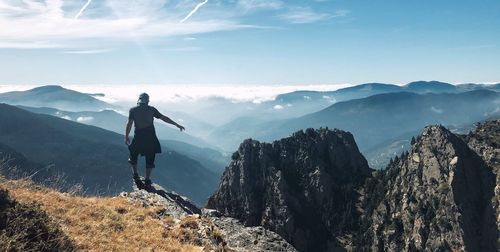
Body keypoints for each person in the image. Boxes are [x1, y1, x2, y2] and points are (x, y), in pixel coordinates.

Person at [125, 93, 185, 187]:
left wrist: (126, 136)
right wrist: (176, 124)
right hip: (150, 137)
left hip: (138, 136)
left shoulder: (133, 110)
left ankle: (135, 175)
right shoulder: (152, 110)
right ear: (147, 100)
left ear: (139, 100)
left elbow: (129, 124)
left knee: (133, 155)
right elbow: (164, 118)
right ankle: (147, 179)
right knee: (150, 157)